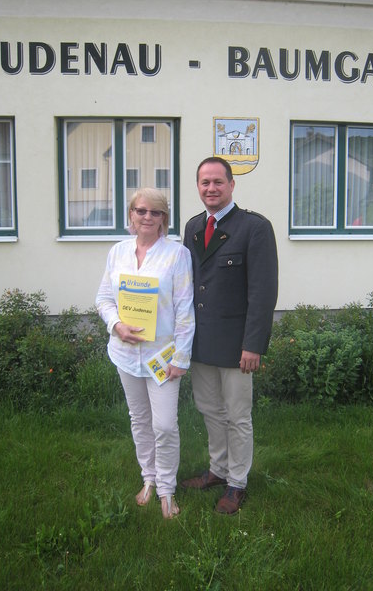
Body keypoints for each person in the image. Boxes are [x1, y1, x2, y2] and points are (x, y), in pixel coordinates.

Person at [181, 157, 278, 515]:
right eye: (204, 182)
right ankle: (218, 470)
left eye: (218, 182)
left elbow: (263, 292)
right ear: (198, 187)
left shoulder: (254, 228)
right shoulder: (193, 226)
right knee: (210, 411)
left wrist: (254, 344)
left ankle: (237, 482)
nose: (211, 188)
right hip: (201, 342)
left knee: (237, 416)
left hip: (238, 346)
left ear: (231, 184)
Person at [96, 188, 195, 519]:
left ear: (164, 218)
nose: (147, 217)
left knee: (165, 424)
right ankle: (149, 480)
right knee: (139, 420)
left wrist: (181, 358)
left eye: (155, 212)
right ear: (131, 215)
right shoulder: (117, 253)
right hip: (125, 354)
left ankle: (167, 490)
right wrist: (116, 325)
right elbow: (104, 299)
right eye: (141, 211)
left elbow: (185, 311)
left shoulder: (177, 255)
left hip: (162, 357)